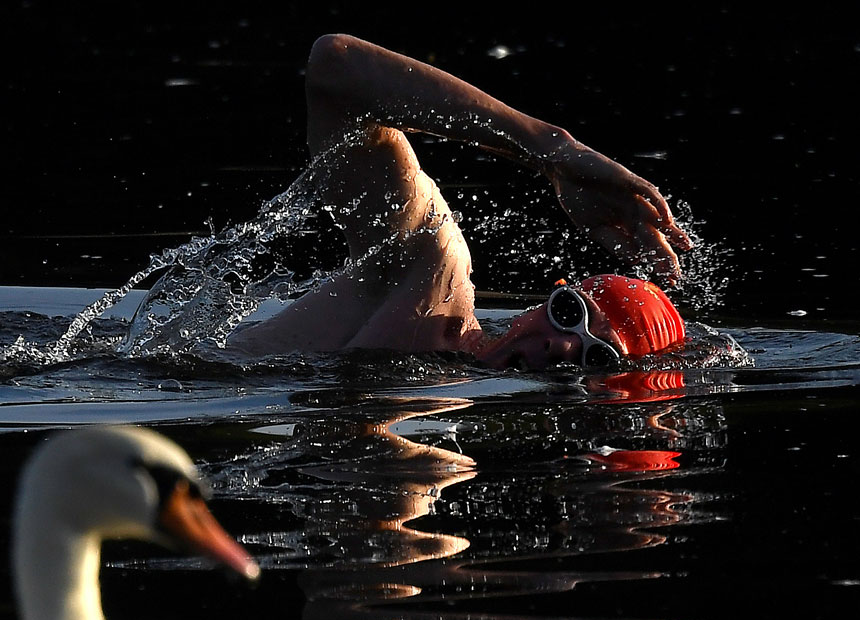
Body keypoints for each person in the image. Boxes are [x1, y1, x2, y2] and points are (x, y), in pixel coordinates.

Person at [227, 34, 691, 370]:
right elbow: (336, 66)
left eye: (598, 357)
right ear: (543, 301)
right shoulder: (432, 277)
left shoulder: (446, 421)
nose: (562, 348)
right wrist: (552, 151)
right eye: (569, 315)